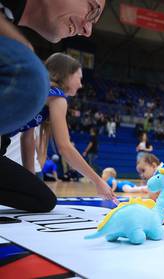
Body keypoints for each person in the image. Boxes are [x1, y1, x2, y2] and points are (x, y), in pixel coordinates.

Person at [0, 0, 106, 212]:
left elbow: (27, 138)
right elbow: (65, 147)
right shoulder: (56, 97)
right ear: (67, 75)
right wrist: (98, 181)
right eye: (79, 77)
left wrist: (30, 177)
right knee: (28, 76)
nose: (81, 83)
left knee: (43, 199)